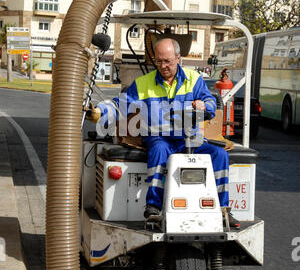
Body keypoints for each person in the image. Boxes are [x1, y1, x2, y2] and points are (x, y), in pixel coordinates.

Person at [87, 38, 240, 229]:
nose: (163, 66)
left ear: (178, 58)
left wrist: (204, 105)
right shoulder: (143, 84)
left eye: (167, 61)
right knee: (159, 149)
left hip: (189, 139)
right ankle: (153, 206)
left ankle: (223, 208)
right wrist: (100, 112)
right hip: (159, 137)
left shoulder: (194, 80)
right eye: (159, 61)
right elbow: (120, 105)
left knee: (219, 154)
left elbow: (209, 100)